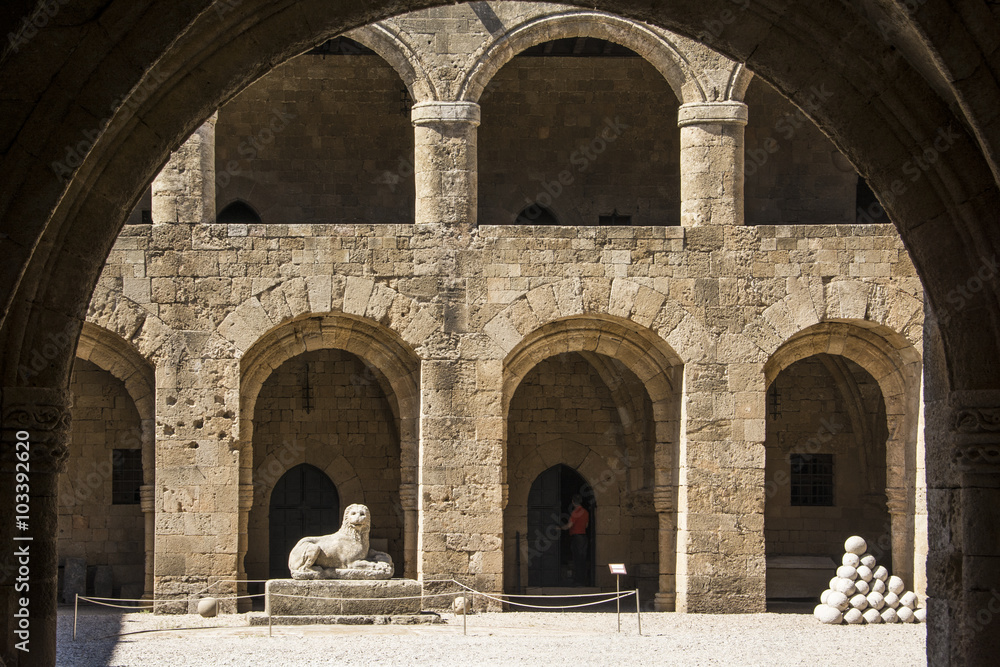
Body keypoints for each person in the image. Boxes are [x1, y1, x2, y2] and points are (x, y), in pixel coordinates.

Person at [562, 494, 590, 586]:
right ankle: (584, 580)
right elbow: (586, 526)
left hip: (576, 538)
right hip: (583, 538)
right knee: (582, 559)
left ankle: (578, 581)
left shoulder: (575, 512)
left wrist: (560, 528)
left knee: (577, 559)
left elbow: (569, 525)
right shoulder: (585, 512)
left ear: (573, 502)